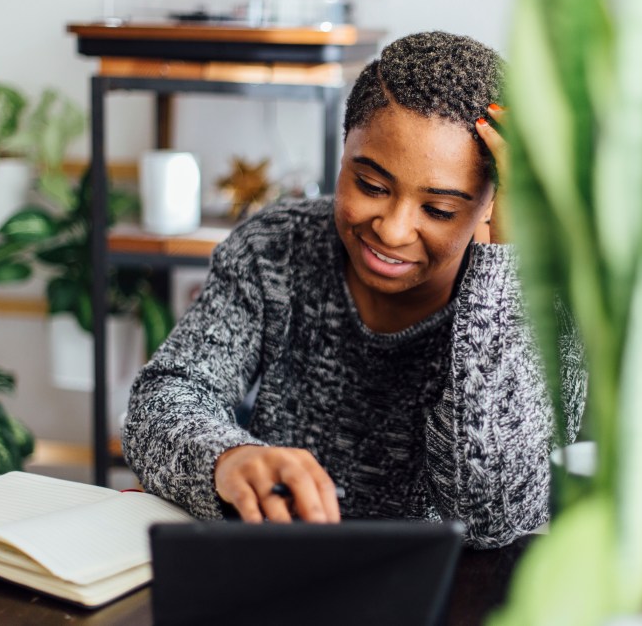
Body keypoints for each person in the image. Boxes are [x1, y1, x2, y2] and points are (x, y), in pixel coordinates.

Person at [122, 31, 587, 549]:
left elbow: (495, 517)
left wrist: (504, 275)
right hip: (279, 582)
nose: (391, 229)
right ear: (344, 149)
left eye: (439, 210)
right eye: (370, 185)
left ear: (492, 205)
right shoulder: (278, 246)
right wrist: (228, 458)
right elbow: (161, 401)